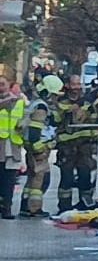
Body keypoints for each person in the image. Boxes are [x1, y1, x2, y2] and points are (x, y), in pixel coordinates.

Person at [54, 80, 98, 212]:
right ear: (67, 86)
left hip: (84, 145)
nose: (76, 88)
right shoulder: (60, 102)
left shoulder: (87, 102)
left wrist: (86, 116)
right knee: (67, 177)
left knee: (85, 175)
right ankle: (64, 207)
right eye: (74, 85)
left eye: (79, 84)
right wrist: (69, 112)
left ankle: (85, 204)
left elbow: (94, 118)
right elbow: (56, 120)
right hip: (66, 146)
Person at [21, 75, 59, 217]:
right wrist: (39, 149)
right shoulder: (41, 107)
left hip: (32, 147)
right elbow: (35, 130)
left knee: (31, 177)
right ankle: (34, 209)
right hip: (38, 148)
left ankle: (25, 206)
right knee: (40, 179)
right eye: (54, 94)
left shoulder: (36, 103)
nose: (55, 97)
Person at [0, 80, 24, 219]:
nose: (1, 87)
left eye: (3, 84)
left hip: (13, 146)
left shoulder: (19, 102)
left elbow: (26, 116)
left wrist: (23, 125)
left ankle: (7, 208)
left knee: (9, 180)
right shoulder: (10, 100)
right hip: (1, 145)